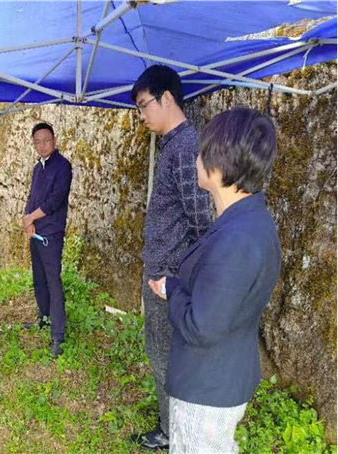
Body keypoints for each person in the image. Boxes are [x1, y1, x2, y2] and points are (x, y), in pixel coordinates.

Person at [150, 107, 281, 453]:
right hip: (221, 376)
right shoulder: (249, 221)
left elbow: (201, 327)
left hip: (207, 388)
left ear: (219, 164)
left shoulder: (236, 239)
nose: (196, 159)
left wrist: (172, 289)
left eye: (202, 152)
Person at [129, 65, 212, 451]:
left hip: (169, 277)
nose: (142, 115)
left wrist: (183, 279)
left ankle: (175, 434)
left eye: (144, 105)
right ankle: (173, 426)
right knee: (162, 353)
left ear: (166, 98)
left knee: (165, 356)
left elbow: (201, 220)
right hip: (164, 272)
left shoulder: (185, 147)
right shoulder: (176, 144)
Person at [23, 122, 72, 358]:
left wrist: (31, 217)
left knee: (53, 282)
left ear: (54, 140)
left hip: (51, 234)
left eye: (46, 140)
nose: (42, 145)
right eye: (38, 142)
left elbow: (55, 200)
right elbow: (32, 198)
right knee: (39, 279)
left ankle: (58, 336)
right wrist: (28, 220)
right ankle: (43, 317)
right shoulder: (37, 168)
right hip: (36, 232)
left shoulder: (63, 166)